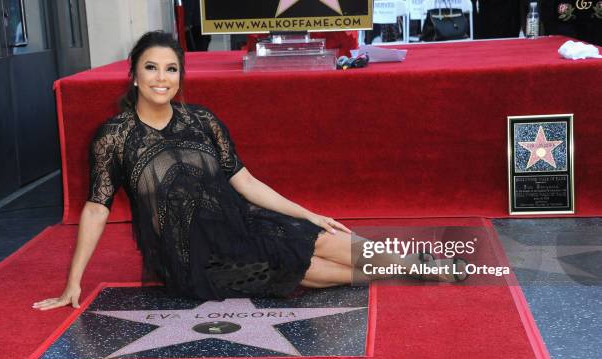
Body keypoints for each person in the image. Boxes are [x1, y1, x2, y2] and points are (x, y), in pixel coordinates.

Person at [32, 31, 467, 311]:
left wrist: (306, 212)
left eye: (170, 69)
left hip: (240, 222)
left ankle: (419, 263)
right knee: (308, 272)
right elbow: (95, 208)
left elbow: (244, 180)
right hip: (193, 260)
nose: (161, 78)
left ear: (180, 77)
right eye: (151, 67)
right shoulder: (115, 136)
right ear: (133, 76)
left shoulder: (202, 120)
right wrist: (73, 283)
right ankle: (409, 272)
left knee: (323, 240)